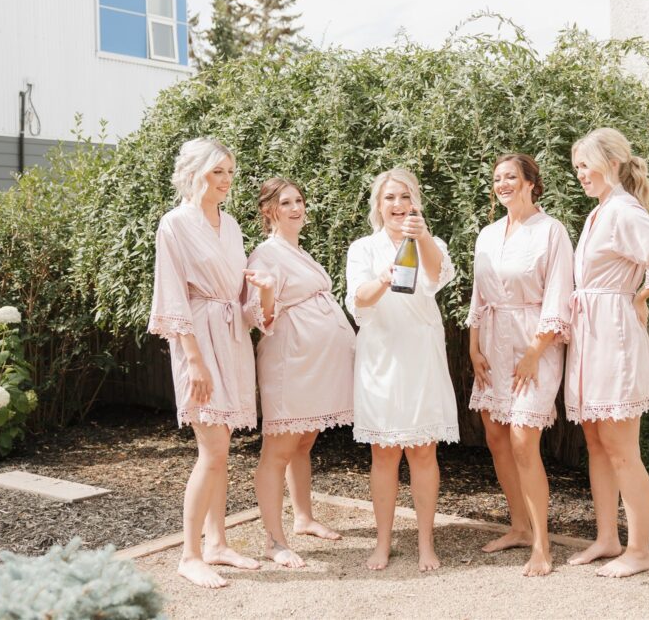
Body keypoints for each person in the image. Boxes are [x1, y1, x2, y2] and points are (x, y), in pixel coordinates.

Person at [565, 127, 649, 578]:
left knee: (622, 449)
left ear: (613, 164)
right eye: (577, 167)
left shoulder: (622, 210)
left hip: (614, 337)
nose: (581, 174)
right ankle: (606, 538)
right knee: (597, 445)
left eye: (587, 165)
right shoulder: (597, 214)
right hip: (590, 337)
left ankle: (640, 550)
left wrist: (641, 295)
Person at [148, 137, 261, 589]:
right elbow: (172, 292)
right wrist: (193, 360)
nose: (227, 181)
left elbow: (237, 291)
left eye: (231, 173)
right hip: (196, 338)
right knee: (211, 450)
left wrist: (261, 295)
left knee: (222, 451)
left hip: (230, 337)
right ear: (195, 173)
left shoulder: (230, 225)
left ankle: (217, 542)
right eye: (219, 172)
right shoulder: (173, 224)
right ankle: (189, 554)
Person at [345, 168, 458, 572]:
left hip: (421, 356)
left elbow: (436, 275)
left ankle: (427, 543)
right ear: (378, 205)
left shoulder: (429, 241)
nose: (397, 204)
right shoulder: (362, 248)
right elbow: (358, 298)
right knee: (384, 452)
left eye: (405, 196)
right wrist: (382, 278)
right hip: (380, 358)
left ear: (415, 203)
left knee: (424, 450)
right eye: (390, 198)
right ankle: (383, 543)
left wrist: (422, 236)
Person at [466, 153, 573, 576]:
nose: (503, 183)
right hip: (492, 341)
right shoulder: (488, 235)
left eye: (511, 176)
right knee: (496, 435)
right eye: (497, 178)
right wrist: (474, 346)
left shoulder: (552, 232)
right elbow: (478, 295)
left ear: (531, 182)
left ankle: (542, 546)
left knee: (524, 440)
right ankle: (519, 526)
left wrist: (534, 350)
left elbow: (560, 294)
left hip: (535, 343)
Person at [244, 177, 355, 568]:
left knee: (305, 441)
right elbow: (257, 316)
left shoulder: (298, 251)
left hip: (318, 364)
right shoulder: (265, 254)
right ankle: (274, 541)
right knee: (278, 448)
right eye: (286, 202)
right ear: (269, 211)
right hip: (291, 362)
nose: (296, 208)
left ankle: (304, 517)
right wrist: (268, 291)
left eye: (299, 200)